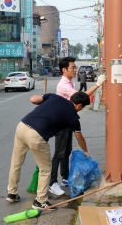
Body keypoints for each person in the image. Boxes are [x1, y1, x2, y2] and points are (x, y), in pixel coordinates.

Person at [6, 92, 92, 210]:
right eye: (83, 107)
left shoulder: (54, 97)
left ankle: (12, 193)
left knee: (16, 163)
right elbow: (79, 137)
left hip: (22, 126)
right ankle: (40, 201)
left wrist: (45, 103)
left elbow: (33, 99)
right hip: (36, 135)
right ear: (79, 105)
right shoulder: (73, 117)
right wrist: (86, 151)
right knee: (45, 169)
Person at [49, 57, 106, 196]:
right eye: (73, 68)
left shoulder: (70, 82)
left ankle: (64, 177)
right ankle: (52, 183)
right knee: (59, 153)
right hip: (61, 121)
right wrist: (97, 84)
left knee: (66, 151)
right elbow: (81, 98)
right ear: (64, 70)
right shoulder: (64, 85)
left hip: (67, 119)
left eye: (75, 67)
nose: (75, 70)